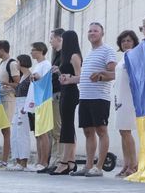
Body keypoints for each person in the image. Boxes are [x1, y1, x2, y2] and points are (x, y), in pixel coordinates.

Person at [71, 22, 117, 177]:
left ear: (102, 34)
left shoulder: (108, 50)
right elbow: (85, 76)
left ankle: (99, 167)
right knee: (88, 132)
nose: (92, 33)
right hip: (85, 97)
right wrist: (69, 79)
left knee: (101, 131)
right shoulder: (89, 52)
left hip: (100, 98)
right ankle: (88, 166)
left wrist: (100, 74)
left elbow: (113, 73)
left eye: (95, 31)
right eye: (90, 30)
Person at [52, 29, 82, 175]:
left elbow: (80, 77)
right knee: (67, 126)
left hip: (71, 93)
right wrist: (60, 74)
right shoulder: (65, 56)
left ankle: (65, 161)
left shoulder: (74, 56)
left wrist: (68, 78)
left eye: (63, 39)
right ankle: (70, 161)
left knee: (67, 127)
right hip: (65, 91)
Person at [0, 40, 20, 170]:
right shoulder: (2, 64)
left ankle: (5, 161)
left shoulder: (12, 64)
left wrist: (6, 85)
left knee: (5, 130)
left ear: (2, 50)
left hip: (8, 100)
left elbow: (18, 83)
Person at [114, 30, 140, 177]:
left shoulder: (134, 56)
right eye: (123, 41)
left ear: (134, 42)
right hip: (119, 96)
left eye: (129, 40)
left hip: (129, 97)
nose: (126, 43)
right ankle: (126, 164)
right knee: (121, 131)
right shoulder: (123, 58)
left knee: (126, 130)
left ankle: (133, 164)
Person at [29, 42, 53, 172]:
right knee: (38, 133)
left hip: (44, 101)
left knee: (43, 133)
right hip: (36, 101)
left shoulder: (46, 64)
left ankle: (44, 161)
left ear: (40, 51)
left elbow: (46, 80)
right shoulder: (37, 65)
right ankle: (39, 160)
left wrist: (38, 77)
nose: (31, 52)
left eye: (33, 50)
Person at [44, 28, 65, 173]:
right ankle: (53, 161)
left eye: (51, 38)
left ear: (59, 38)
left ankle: (59, 160)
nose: (50, 41)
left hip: (59, 94)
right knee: (53, 130)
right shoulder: (57, 55)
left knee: (58, 130)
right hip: (53, 94)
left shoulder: (65, 54)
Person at [9, 54, 34, 171]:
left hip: (24, 105)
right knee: (15, 134)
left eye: (18, 61)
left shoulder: (30, 77)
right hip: (18, 104)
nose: (16, 64)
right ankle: (17, 159)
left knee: (22, 133)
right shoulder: (23, 76)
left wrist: (27, 106)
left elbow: (31, 93)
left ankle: (24, 161)